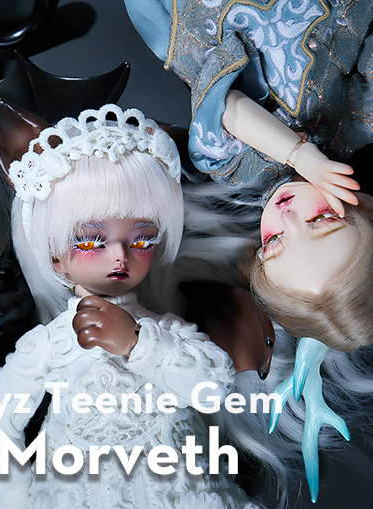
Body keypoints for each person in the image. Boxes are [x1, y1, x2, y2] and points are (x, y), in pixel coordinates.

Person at [0, 102, 260, 509]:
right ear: (54, 256)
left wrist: (139, 343)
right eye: (90, 240)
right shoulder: (48, 347)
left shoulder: (165, 331)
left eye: (142, 239)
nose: (120, 255)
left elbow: (212, 389)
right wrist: (17, 502)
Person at [124, 0, 373, 353]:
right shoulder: (358, 123)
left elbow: (226, 105)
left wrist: (298, 154)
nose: (287, 216)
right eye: (321, 220)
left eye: (274, 241)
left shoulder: (234, 165)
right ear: (363, 207)